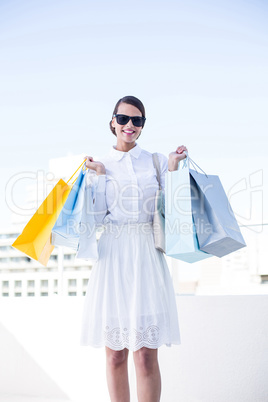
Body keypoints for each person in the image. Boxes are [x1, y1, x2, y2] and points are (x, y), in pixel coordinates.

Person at [81, 95, 187, 402]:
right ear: (112, 121)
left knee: (145, 355)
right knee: (115, 355)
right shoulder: (99, 164)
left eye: (137, 120)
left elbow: (172, 208)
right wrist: (99, 177)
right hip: (113, 256)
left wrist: (173, 167)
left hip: (145, 256)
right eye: (124, 119)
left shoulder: (154, 161)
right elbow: (97, 218)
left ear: (142, 126)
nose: (130, 125)